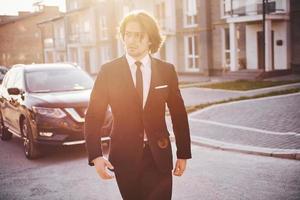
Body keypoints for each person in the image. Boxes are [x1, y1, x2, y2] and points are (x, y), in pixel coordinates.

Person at [84, 10, 191, 200]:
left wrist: (183, 153)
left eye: (138, 35)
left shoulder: (166, 71)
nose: (131, 40)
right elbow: (94, 115)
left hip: (158, 157)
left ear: (150, 39)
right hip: (124, 159)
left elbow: (178, 114)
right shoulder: (108, 71)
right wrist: (96, 155)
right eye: (128, 34)